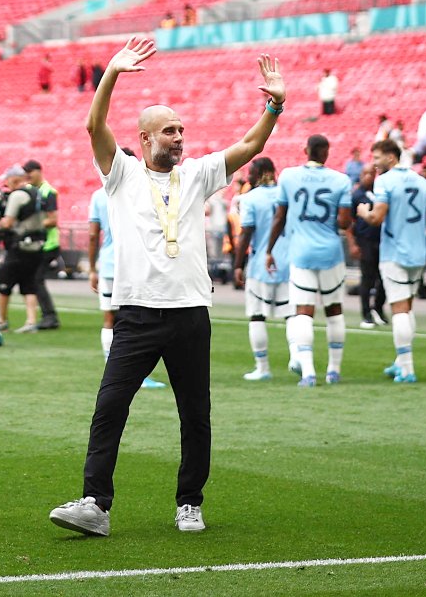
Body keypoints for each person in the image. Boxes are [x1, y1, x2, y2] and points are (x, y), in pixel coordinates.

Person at [49, 37, 285, 537]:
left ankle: (190, 503)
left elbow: (251, 147)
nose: (179, 138)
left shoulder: (197, 173)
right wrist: (111, 73)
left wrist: (274, 106)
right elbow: (94, 125)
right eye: (169, 131)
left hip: (190, 312)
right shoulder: (121, 174)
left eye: (181, 130)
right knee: (110, 408)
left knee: (195, 414)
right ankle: (95, 504)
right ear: (144, 138)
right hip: (137, 312)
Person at [266, 134, 352, 387]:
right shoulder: (341, 180)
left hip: (301, 253)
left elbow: (280, 217)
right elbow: (344, 222)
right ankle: (334, 370)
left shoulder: (289, 176)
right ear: (326, 152)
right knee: (334, 310)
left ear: (306, 150)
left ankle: (308, 373)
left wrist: (269, 249)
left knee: (303, 312)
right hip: (331, 253)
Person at [356, 139, 426, 384]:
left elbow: (377, 217)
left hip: (395, 253)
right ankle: (399, 362)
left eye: (377, 158)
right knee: (407, 307)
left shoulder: (385, 181)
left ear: (391, 157)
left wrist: (363, 213)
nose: (374, 163)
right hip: (418, 251)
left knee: (399, 310)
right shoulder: (422, 181)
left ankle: (407, 369)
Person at [88, 147, 166, 389]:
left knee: (109, 318)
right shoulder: (142, 189)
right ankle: (138, 374)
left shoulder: (98, 195)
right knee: (138, 320)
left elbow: (93, 235)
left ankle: (112, 369)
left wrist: (92, 268)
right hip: (135, 265)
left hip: (108, 264)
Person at [233, 157, 297, 380]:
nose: (248, 176)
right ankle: (297, 356)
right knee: (291, 315)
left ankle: (262, 368)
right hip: (288, 263)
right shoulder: (286, 195)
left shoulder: (250, 198)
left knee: (257, 316)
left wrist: (238, 265)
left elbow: (246, 234)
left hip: (261, 265)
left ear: (262, 173)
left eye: (251, 172)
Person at [0, 165, 45, 334]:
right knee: (29, 285)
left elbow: (8, 222)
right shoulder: (37, 193)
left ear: (14, 179)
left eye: (7, 180)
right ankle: (31, 321)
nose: (6, 183)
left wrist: (0, 221)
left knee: (4, 283)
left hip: (19, 245)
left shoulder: (17, 195)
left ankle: (2, 321)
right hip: (37, 245)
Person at [23, 160, 60, 330]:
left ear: (39, 171)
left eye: (30, 171)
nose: (28, 175)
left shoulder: (48, 192)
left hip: (48, 244)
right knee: (35, 280)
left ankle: (50, 316)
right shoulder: (28, 191)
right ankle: (48, 316)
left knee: (36, 279)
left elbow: (53, 220)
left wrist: (30, 225)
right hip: (36, 244)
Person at [350, 164, 386, 328]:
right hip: (365, 240)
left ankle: (378, 308)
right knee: (367, 278)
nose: (369, 176)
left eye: (372, 173)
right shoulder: (357, 195)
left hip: (382, 240)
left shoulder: (380, 193)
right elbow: (349, 222)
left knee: (384, 277)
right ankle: (366, 314)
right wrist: (353, 243)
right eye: (366, 173)